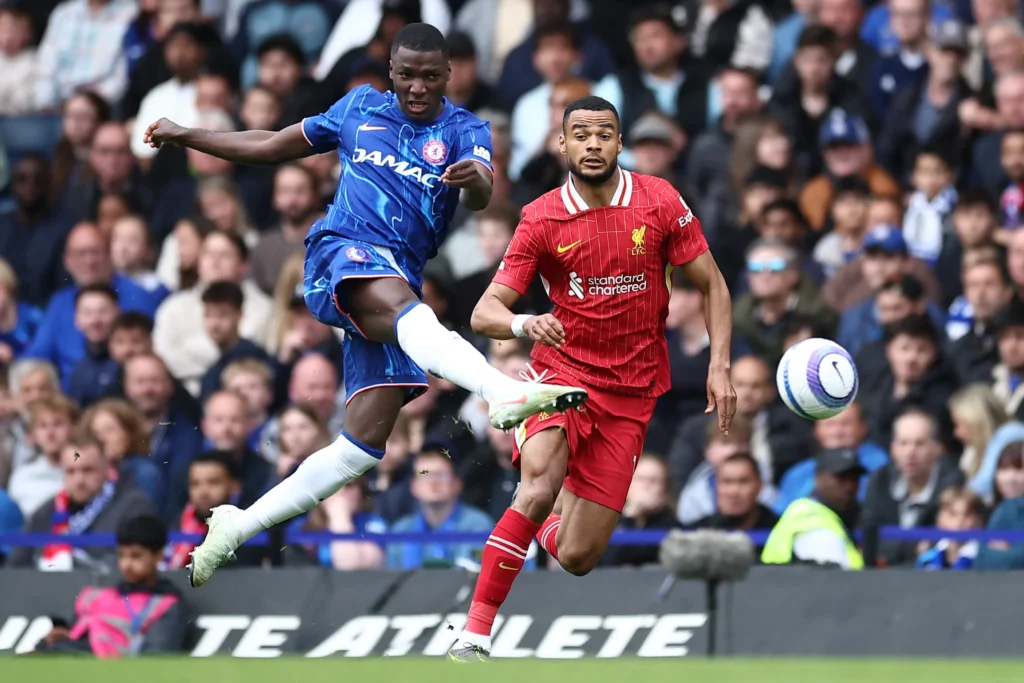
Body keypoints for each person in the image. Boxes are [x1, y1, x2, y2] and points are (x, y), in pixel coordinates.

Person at [143, 24, 578, 588]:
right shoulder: (359, 109)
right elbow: (271, 144)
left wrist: (474, 181)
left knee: (362, 447)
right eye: (406, 75)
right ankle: (502, 392)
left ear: (448, 75)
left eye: (430, 76)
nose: (417, 87)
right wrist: (187, 134)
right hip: (342, 253)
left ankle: (238, 524)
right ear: (390, 72)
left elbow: (482, 194)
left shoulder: (466, 129)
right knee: (409, 313)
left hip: (400, 274)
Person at [450, 95, 736, 660]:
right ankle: (475, 632)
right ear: (562, 144)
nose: (593, 144)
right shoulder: (541, 217)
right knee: (537, 488)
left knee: (578, 556)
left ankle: (542, 521)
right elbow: (485, 313)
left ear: (620, 143)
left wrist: (719, 365)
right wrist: (526, 322)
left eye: (604, 134)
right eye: (580, 134)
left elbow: (714, 284)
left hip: (632, 391)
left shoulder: (659, 200)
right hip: (561, 378)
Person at [34, 515, 188, 657]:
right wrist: (60, 637)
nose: (126, 564)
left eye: (136, 556)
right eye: (121, 555)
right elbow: (69, 633)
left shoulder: (167, 605)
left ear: (158, 555)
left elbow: (155, 657)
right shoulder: (95, 595)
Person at [761, 448, 866, 569]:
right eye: (841, 477)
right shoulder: (812, 522)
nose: (849, 486)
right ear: (818, 477)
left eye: (854, 479)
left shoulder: (848, 515)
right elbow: (832, 578)